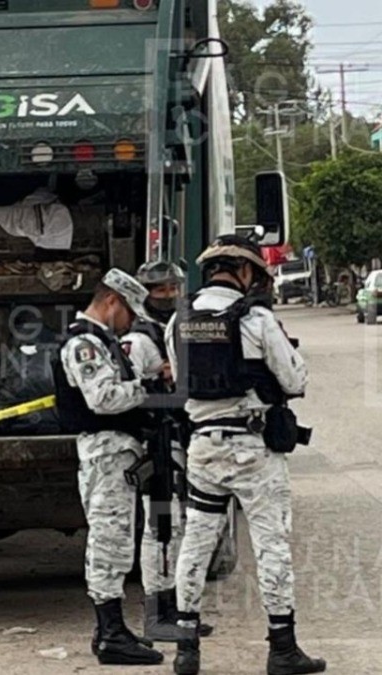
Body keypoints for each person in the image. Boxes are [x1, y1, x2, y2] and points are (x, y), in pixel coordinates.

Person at [167, 236, 325, 675]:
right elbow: (293, 380)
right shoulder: (255, 317)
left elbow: (179, 383)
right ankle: (282, 649)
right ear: (244, 270)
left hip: (202, 448)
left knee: (196, 542)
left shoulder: (177, 320)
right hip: (253, 451)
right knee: (271, 543)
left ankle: (186, 649)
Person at [52, 268, 162, 666]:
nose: (130, 322)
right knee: (109, 542)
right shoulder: (84, 343)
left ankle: (110, 631)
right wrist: (147, 389)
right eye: (129, 313)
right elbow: (103, 398)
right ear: (112, 301)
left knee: (115, 541)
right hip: (105, 451)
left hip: (116, 450)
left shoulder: (102, 341)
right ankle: (111, 633)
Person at [122, 262, 214, 642]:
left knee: (175, 528)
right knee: (159, 529)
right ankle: (156, 613)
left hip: (174, 439)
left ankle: (173, 607)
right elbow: (125, 390)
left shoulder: (174, 328)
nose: (168, 296)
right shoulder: (140, 339)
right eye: (159, 290)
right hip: (154, 447)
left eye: (172, 288)